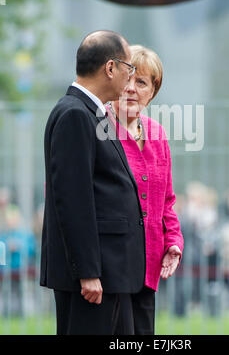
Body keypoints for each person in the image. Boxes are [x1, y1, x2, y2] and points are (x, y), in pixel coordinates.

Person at [40, 30, 147, 335]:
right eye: (129, 69)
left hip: (110, 273)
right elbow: (73, 199)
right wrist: (87, 272)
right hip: (93, 280)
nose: (130, 79)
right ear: (110, 68)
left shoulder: (93, 114)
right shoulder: (75, 114)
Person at [106, 45, 184, 334]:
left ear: (153, 91)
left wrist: (173, 242)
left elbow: (166, 201)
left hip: (148, 268)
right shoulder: (97, 127)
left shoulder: (157, 134)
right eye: (127, 80)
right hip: (109, 270)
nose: (131, 89)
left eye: (141, 82)